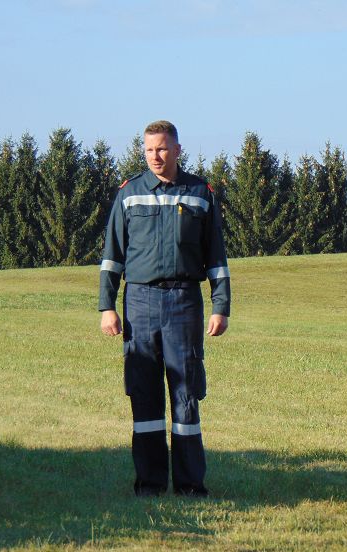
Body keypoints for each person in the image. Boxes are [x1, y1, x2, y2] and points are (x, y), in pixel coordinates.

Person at [99, 120, 230, 498]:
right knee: (144, 393)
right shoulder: (129, 194)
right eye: (148, 150)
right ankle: (150, 483)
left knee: (186, 393)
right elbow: (112, 257)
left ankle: (190, 484)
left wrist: (220, 306)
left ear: (177, 149)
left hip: (183, 302)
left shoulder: (200, 194)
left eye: (161, 149)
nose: (155, 156)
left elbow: (216, 258)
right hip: (139, 302)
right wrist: (107, 306)